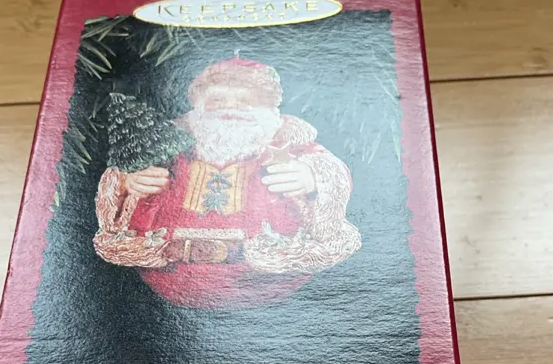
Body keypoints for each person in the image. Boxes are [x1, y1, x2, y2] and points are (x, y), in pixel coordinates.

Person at [94, 56, 361, 309]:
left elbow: (332, 172)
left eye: (245, 101)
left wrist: (312, 177)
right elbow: (122, 177)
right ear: (198, 106)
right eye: (217, 100)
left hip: (267, 281)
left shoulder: (290, 146)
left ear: (269, 108)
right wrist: (126, 181)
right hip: (169, 276)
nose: (231, 109)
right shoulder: (166, 147)